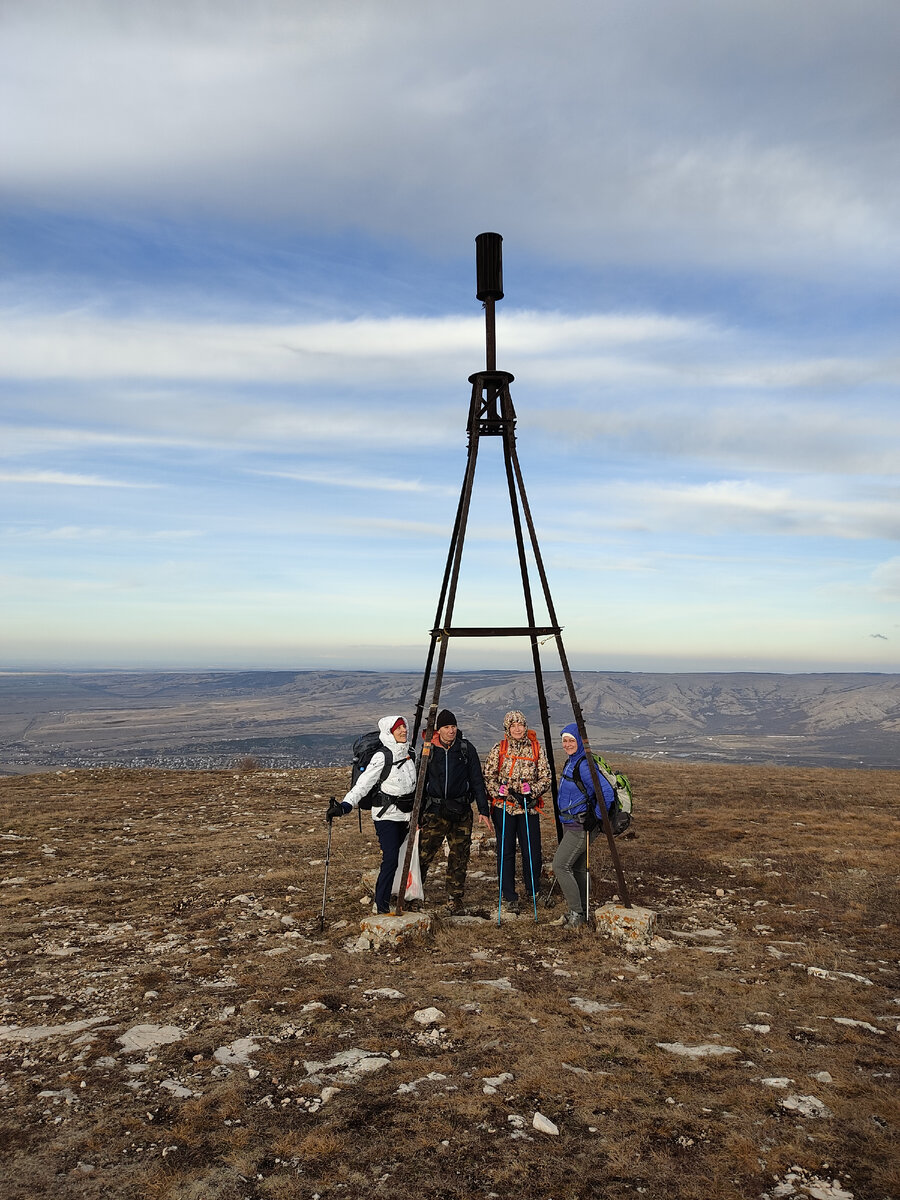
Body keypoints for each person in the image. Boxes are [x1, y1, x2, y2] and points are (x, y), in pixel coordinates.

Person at [326, 715, 416, 915]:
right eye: (398, 729)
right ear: (389, 732)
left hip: (406, 816)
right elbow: (363, 784)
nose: (403, 731)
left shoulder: (410, 753)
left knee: (401, 858)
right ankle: (381, 904)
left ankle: (403, 895)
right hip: (386, 817)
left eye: (404, 727)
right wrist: (345, 806)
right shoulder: (382, 757)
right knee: (391, 859)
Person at [418, 709, 491, 914]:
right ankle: (414, 894)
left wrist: (483, 810)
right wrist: (416, 815)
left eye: (453, 726)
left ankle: (455, 898)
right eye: (446, 727)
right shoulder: (429, 749)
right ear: (438, 729)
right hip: (434, 811)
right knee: (423, 855)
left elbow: (477, 780)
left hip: (461, 811)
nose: (451, 731)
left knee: (459, 856)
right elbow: (421, 783)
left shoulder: (466, 749)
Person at [483, 710, 552, 914]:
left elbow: (546, 778)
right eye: (513, 726)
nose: (517, 729)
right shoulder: (499, 749)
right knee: (506, 853)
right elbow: (488, 776)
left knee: (532, 852)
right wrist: (498, 791)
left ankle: (533, 890)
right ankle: (509, 895)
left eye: (520, 725)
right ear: (507, 728)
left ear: (525, 726)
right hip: (504, 808)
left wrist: (533, 790)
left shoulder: (536, 749)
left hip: (528, 810)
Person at [552, 722, 615, 928]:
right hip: (572, 823)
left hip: (581, 826)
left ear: (579, 741)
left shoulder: (585, 764)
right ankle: (581, 914)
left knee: (560, 865)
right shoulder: (572, 761)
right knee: (577, 868)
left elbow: (605, 792)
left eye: (571, 740)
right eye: (565, 741)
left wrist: (595, 817)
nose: (568, 744)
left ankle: (576, 913)